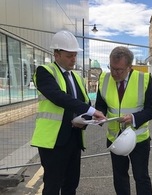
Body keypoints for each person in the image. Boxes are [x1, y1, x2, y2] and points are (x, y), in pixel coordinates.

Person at [31, 30, 106, 195]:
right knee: (52, 186)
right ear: (56, 54)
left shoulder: (77, 77)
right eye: (69, 55)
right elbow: (59, 97)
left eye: (75, 55)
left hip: (74, 138)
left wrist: (86, 119)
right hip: (53, 141)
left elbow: (84, 102)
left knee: (71, 184)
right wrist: (92, 111)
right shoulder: (44, 72)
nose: (74, 59)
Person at [95, 46, 152, 195]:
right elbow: (101, 104)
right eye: (112, 68)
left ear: (129, 67)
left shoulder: (144, 79)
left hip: (138, 139)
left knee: (141, 177)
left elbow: (151, 109)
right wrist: (99, 115)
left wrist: (134, 118)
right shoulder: (104, 78)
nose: (115, 73)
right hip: (115, 138)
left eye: (119, 70)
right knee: (119, 177)